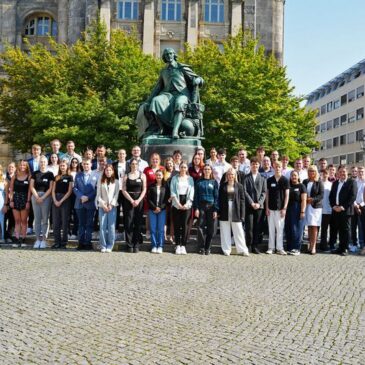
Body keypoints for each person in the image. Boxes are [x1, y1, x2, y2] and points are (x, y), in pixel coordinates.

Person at [144, 47, 204, 138]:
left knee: (180, 103)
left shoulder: (181, 68)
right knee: (155, 101)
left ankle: (175, 131)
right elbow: (157, 88)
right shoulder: (163, 71)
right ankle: (161, 128)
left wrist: (199, 80)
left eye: (170, 53)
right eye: (166, 54)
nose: (169, 56)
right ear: (164, 57)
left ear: (174, 55)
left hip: (182, 94)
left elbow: (198, 78)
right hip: (167, 95)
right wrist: (148, 101)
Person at [218, 168, 249, 256]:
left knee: (239, 230)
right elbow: (219, 199)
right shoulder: (222, 186)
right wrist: (218, 211)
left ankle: (243, 249)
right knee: (225, 230)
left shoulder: (239, 186)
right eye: (229, 174)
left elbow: (242, 201)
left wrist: (242, 214)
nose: (230, 176)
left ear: (235, 175)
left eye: (232, 174)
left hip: (236, 209)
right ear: (227, 176)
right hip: (224, 209)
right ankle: (226, 249)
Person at [329, 165, 357, 256]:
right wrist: (333, 206)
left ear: (347, 172)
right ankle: (340, 247)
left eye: (344, 172)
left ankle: (345, 248)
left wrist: (342, 207)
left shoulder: (352, 182)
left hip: (346, 210)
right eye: (340, 172)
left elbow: (352, 197)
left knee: (346, 230)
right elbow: (331, 196)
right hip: (335, 210)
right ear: (338, 173)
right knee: (338, 229)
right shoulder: (335, 183)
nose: (342, 173)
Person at [122, 158, 147, 253]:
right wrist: (132, 200)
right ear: (130, 165)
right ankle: (129, 244)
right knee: (128, 222)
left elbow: (144, 189)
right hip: (129, 200)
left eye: (136, 164)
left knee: (138, 222)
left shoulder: (142, 175)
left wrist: (138, 200)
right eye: (132, 164)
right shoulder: (126, 176)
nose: (134, 165)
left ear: (138, 165)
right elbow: (124, 189)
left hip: (139, 200)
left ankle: (136, 244)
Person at [170, 162, 195, 254]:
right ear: (179, 168)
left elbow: (192, 192)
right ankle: (177, 245)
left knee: (185, 225)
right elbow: (172, 191)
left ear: (187, 169)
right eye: (182, 167)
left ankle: (183, 245)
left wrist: (187, 203)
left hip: (186, 201)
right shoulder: (174, 178)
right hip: (176, 201)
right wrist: (178, 204)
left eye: (185, 167)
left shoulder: (190, 179)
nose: (183, 169)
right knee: (177, 224)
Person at [30, 156, 54, 248]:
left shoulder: (50, 174)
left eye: (44, 162)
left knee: (45, 219)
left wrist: (43, 197)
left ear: (47, 163)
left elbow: (51, 188)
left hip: (46, 197)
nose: (43, 163)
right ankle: (37, 239)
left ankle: (44, 239)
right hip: (35, 196)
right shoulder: (35, 173)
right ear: (39, 163)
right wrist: (37, 197)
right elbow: (31, 186)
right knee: (37, 219)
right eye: (41, 162)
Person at [265, 161, 289, 255]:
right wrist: (266, 208)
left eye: (279, 167)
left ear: (282, 168)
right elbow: (267, 195)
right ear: (273, 168)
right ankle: (271, 247)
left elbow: (287, 195)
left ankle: (279, 248)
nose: (277, 168)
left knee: (280, 229)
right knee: (271, 229)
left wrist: (284, 208)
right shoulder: (269, 180)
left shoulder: (285, 180)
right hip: (271, 208)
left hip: (281, 209)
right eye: (276, 167)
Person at [194, 164, 218, 255]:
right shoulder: (199, 182)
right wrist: (196, 208)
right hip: (201, 206)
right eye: (205, 169)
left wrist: (215, 209)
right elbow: (196, 196)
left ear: (211, 171)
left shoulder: (214, 182)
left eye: (208, 169)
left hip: (211, 207)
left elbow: (216, 197)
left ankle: (208, 247)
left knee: (211, 228)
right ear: (203, 171)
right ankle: (201, 247)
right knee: (200, 227)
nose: (207, 170)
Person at [73, 159, 97, 250]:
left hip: (90, 202)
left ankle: (88, 242)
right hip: (79, 202)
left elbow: (96, 189)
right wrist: (81, 196)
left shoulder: (95, 175)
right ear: (82, 165)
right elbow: (75, 188)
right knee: (81, 224)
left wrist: (88, 197)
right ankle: (81, 242)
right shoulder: (78, 175)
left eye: (87, 164)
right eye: (84, 164)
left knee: (89, 224)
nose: (86, 165)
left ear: (91, 164)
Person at [244, 157, 266, 254]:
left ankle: (255, 246)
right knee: (249, 227)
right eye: (253, 164)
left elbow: (264, 192)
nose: (255, 166)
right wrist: (251, 202)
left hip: (259, 207)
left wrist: (259, 203)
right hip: (249, 206)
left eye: (256, 164)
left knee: (257, 227)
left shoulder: (262, 178)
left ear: (259, 165)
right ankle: (248, 245)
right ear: (250, 165)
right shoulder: (246, 178)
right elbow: (244, 191)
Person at [96, 164, 119, 253]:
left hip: (112, 207)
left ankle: (110, 245)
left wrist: (111, 205)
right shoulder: (100, 181)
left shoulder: (116, 181)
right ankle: (103, 245)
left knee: (111, 227)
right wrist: (103, 204)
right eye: (107, 170)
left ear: (113, 171)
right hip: (103, 206)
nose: (108, 172)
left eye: (110, 170)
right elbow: (98, 194)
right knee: (102, 226)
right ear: (104, 171)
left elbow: (116, 194)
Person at [9, 160, 31, 247]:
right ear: (18, 166)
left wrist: (28, 202)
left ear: (26, 167)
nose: (22, 166)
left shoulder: (29, 177)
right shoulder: (14, 176)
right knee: (17, 221)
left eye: (24, 165)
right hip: (15, 199)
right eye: (21, 165)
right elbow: (11, 189)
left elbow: (29, 191)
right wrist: (11, 200)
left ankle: (23, 239)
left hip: (25, 200)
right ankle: (17, 239)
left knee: (24, 221)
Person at [51, 160, 73, 249]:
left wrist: (61, 200)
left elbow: (70, 190)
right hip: (55, 199)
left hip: (65, 200)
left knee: (64, 222)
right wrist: (55, 200)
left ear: (67, 167)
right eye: (61, 166)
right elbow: (53, 190)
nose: (62, 167)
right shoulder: (56, 177)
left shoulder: (70, 177)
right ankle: (57, 242)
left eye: (64, 166)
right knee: (56, 222)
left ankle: (64, 242)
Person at [303, 166, 324, 255]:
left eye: (313, 171)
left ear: (316, 172)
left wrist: (312, 199)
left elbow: (321, 195)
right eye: (310, 171)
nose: (311, 172)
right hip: (307, 206)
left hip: (315, 207)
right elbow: (302, 192)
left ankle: (313, 246)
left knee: (314, 226)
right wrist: (305, 200)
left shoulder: (319, 182)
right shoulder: (305, 181)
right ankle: (310, 245)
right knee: (309, 226)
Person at [285, 170, 307, 255]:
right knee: (288, 228)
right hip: (288, 209)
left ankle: (296, 248)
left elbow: (304, 200)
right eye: (292, 175)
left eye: (295, 175)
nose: (294, 177)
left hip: (297, 208)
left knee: (297, 229)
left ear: (298, 176)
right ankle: (289, 247)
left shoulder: (302, 186)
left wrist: (302, 211)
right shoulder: (288, 186)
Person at [147, 170, 169, 254]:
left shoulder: (165, 187)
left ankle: (160, 246)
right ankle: (154, 245)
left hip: (162, 210)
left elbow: (167, 199)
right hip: (152, 210)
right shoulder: (151, 186)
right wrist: (154, 207)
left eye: (160, 175)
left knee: (160, 229)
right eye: (157, 175)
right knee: (153, 228)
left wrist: (160, 208)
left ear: (162, 176)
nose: (158, 177)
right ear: (155, 176)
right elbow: (148, 199)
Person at [113, 149, 128, 235]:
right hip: (116, 190)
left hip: (126, 191)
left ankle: (126, 230)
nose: (121, 155)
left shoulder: (129, 165)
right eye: (120, 154)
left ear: (125, 155)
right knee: (116, 210)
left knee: (126, 211)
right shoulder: (114, 165)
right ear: (118, 155)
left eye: (123, 154)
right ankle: (116, 230)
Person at [350, 166, 365, 252]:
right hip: (354, 206)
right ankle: (354, 243)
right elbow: (352, 195)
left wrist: (361, 205)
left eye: (362, 171)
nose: (360, 173)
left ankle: (362, 244)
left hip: (363, 207)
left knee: (361, 227)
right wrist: (356, 205)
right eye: (359, 172)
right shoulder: (355, 182)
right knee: (353, 226)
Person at [319, 169, 333, 252]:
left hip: (328, 209)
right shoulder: (318, 183)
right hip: (318, 209)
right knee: (316, 228)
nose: (324, 175)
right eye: (323, 174)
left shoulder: (331, 185)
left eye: (326, 174)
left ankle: (324, 245)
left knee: (325, 229)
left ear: (328, 175)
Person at [68, 157, 81, 240]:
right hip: (68, 195)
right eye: (73, 162)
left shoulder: (80, 173)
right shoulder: (68, 172)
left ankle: (75, 232)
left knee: (77, 214)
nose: (74, 163)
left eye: (76, 162)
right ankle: (67, 232)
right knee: (68, 214)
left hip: (77, 195)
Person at [4, 162, 16, 243]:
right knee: (4, 219)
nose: (10, 169)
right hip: (5, 201)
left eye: (12, 167)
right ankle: (3, 235)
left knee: (12, 219)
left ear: (15, 169)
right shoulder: (4, 177)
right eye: (9, 167)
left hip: (15, 201)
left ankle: (9, 235)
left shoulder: (17, 177)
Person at [0, 165, 8, 243]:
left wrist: (5, 204)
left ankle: (2, 237)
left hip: (1, 202)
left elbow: (6, 194)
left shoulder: (4, 181)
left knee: (1, 220)